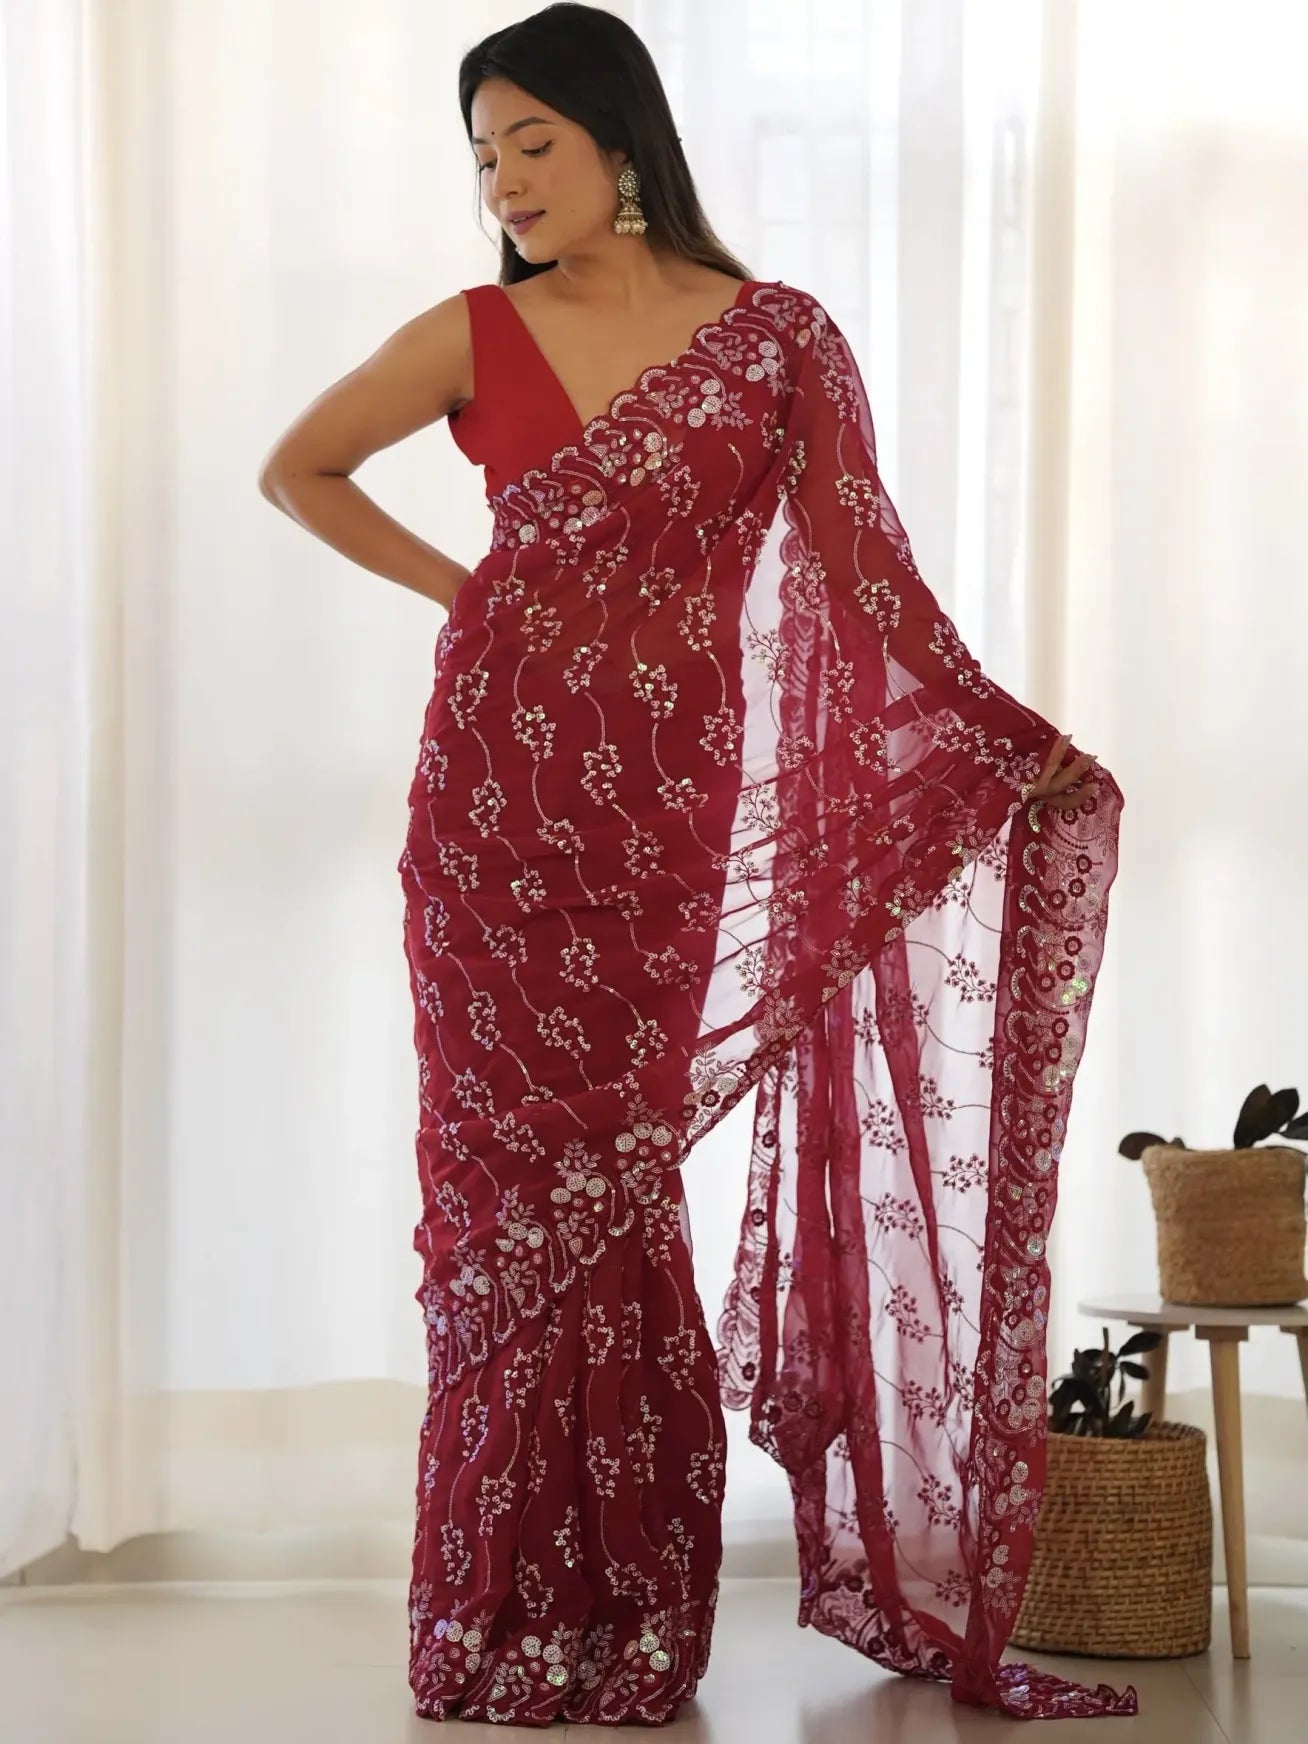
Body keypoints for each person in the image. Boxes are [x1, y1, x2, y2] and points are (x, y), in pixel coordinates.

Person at [258, 3, 1132, 1727]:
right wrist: (471, 597)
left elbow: (870, 590)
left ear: (623, 141)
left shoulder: (776, 340)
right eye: (484, 157)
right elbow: (298, 470)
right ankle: (506, 1603)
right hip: (492, 814)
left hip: (659, 818)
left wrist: (996, 736)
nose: (506, 184)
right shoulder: (472, 332)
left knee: (617, 1181)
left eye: (534, 144)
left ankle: (631, 1593)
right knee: (510, 1197)